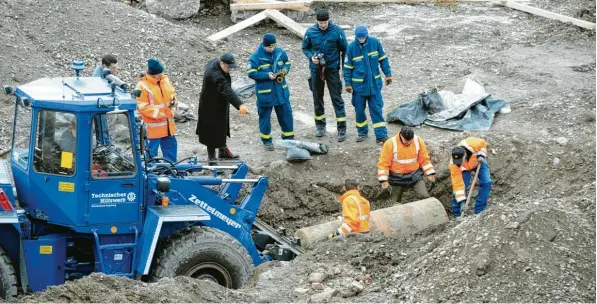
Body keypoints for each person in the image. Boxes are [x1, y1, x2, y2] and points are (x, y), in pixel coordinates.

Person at [302, 9, 349, 142]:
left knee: (337, 99)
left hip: (332, 69)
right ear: (317, 21)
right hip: (316, 70)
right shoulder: (310, 32)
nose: (323, 25)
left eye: (325, 22)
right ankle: (320, 126)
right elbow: (305, 47)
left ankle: (341, 129)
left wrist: (344, 70)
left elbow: (345, 50)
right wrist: (312, 57)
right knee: (317, 98)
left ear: (329, 20)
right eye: (321, 22)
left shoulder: (337, 32)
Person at [343, 25, 392, 145]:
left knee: (376, 109)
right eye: (359, 38)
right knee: (359, 110)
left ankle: (381, 135)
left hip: (374, 86)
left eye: (363, 37)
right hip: (359, 88)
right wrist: (348, 84)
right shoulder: (351, 48)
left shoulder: (375, 43)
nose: (361, 39)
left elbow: (383, 60)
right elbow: (347, 68)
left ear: (366, 35)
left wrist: (388, 74)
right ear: (356, 36)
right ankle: (362, 132)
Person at [196, 53, 249, 165]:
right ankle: (212, 158)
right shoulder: (215, 75)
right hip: (209, 105)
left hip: (219, 102)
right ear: (221, 63)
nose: (230, 70)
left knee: (221, 126)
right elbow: (226, 90)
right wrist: (240, 104)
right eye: (228, 67)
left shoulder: (216, 62)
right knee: (211, 130)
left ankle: (223, 151)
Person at [247, 33, 294, 151]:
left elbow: (287, 62)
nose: (272, 49)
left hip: (281, 92)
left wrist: (284, 71)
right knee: (265, 118)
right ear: (264, 45)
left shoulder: (279, 52)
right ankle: (267, 141)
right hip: (265, 94)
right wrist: (267, 75)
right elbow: (251, 73)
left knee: (286, 116)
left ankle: (288, 140)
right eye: (270, 47)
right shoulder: (255, 57)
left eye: (273, 46)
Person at [377, 126, 436, 203]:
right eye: (406, 140)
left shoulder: (418, 141)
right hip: (396, 178)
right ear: (400, 135)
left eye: (410, 140)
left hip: (414, 176)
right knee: (394, 202)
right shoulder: (390, 143)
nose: (407, 143)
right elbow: (383, 163)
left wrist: (430, 173)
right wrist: (383, 180)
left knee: (425, 196)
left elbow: (424, 159)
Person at [135, 58, 178, 162]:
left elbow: (172, 93)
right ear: (152, 74)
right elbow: (142, 107)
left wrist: (174, 101)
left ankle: (171, 170)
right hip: (154, 127)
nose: (161, 75)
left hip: (168, 125)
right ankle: (151, 172)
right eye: (159, 74)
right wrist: (158, 114)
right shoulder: (141, 86)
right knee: (151, 152)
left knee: (171, 148)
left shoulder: (164, 79)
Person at [450, 137, 492, 217]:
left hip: (478, 161)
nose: (458, 164)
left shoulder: (473, 143)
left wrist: (481, 155)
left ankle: (480, 210)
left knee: (486, 182)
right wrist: (462, 201)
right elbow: (457, 185)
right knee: (461, 188)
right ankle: (457, 214)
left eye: (460, 161)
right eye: (457, 162)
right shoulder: (454, 165)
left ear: (465, 156)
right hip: (465, 169)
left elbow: (483, 145)